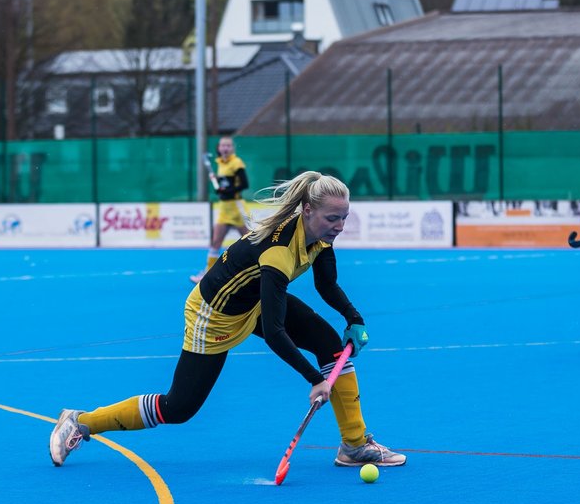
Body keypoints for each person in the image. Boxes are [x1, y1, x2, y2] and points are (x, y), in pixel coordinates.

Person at [49, 171, 404, 470]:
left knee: (329, 344)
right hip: (213, 316)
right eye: (333, 218)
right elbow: (277, 333)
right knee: (179, 407)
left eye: (344, 217)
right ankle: (81, 421)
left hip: (254, 303)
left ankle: (354, 445)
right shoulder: (279, 251)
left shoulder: (318, 236)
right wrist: (314, 380)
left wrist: (353, 318)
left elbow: (326, 283)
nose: (340, 226)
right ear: (308, 210)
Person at [190, 136, 250, 283]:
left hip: (236, 206)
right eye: (223, 146)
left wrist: (228, 190)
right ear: (219, 148)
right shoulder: (219, 163)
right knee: (216, 242)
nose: (225, 148)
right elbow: (224, 184)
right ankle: (208, 274)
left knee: (250, 241)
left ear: (232, 148)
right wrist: (220, 187)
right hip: (224, 207)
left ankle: (258, 269)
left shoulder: (237, 163)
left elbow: (244, 184)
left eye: (228, 146)